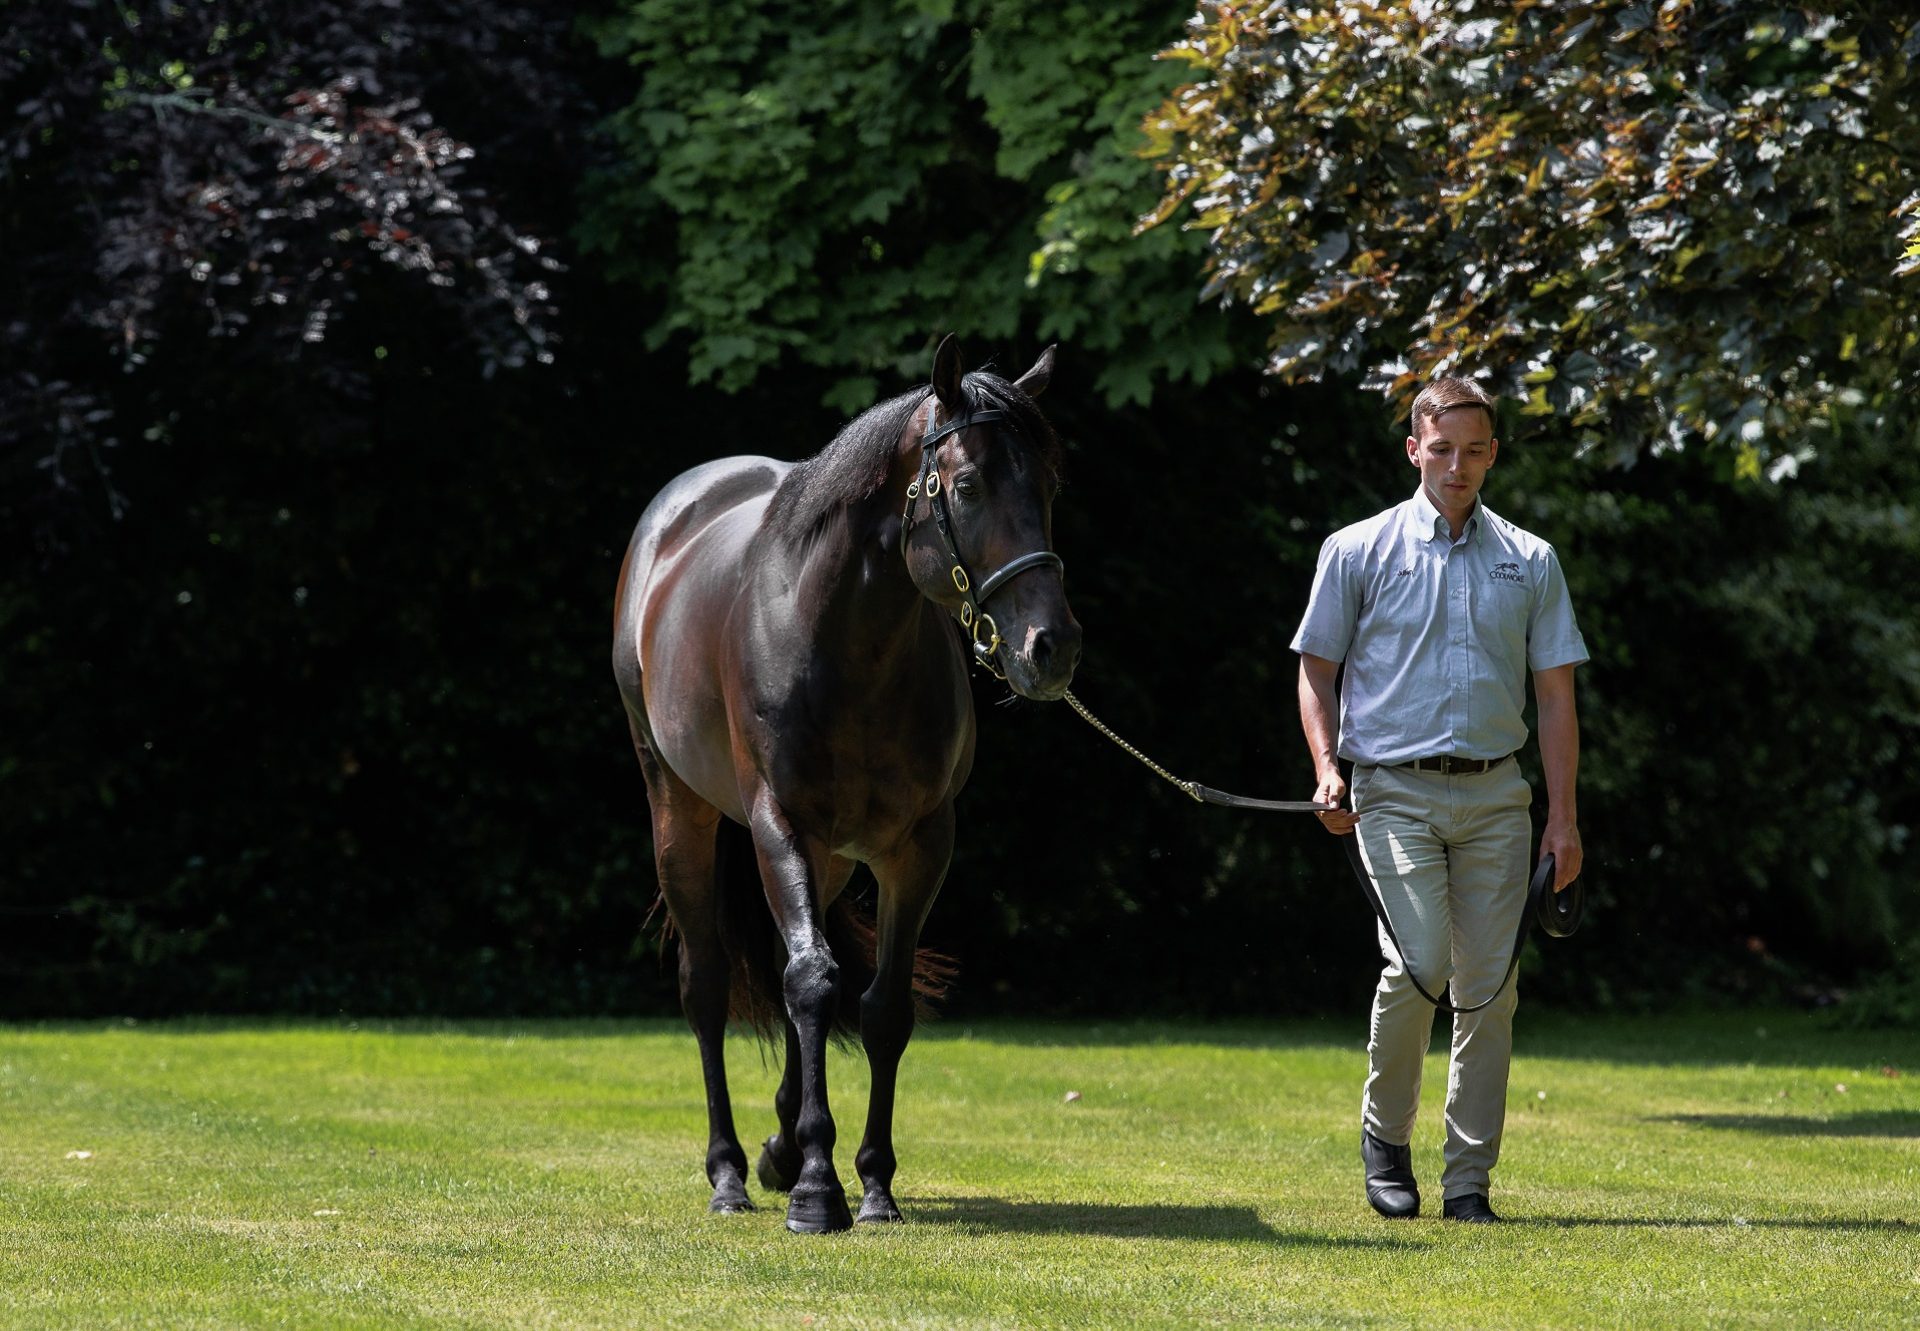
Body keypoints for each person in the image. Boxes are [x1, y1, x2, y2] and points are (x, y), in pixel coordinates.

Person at [1291, 376, 1586, 1224]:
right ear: (1414, 448)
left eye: (1474, 449)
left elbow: (1557, 698)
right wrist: (1326, 767)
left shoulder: (1529, 559)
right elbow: (1317, 668)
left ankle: (1468, 1184)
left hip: (1500, 797)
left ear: (1493, 453)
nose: (1458, 466)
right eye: (1442, 447)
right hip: (1392, 793)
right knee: (1420, 965)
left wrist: (1562, 819)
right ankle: (1386, 1138)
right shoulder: (1357, 549)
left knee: (1491, 989)